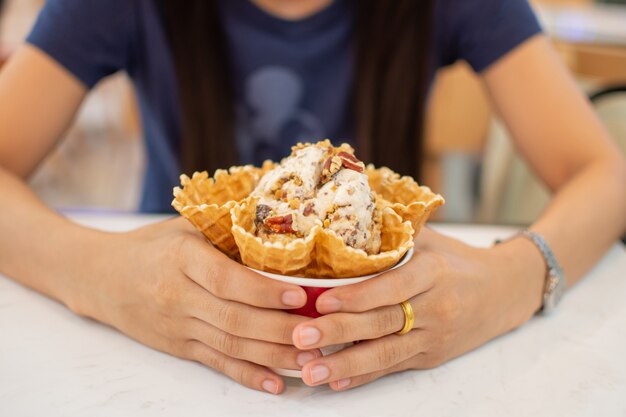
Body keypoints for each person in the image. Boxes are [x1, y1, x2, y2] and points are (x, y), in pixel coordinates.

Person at [0, 0, 625, 396]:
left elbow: (606, 175)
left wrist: (513, 280)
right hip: (166, 371)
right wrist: (97, 273)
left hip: (392, 377)